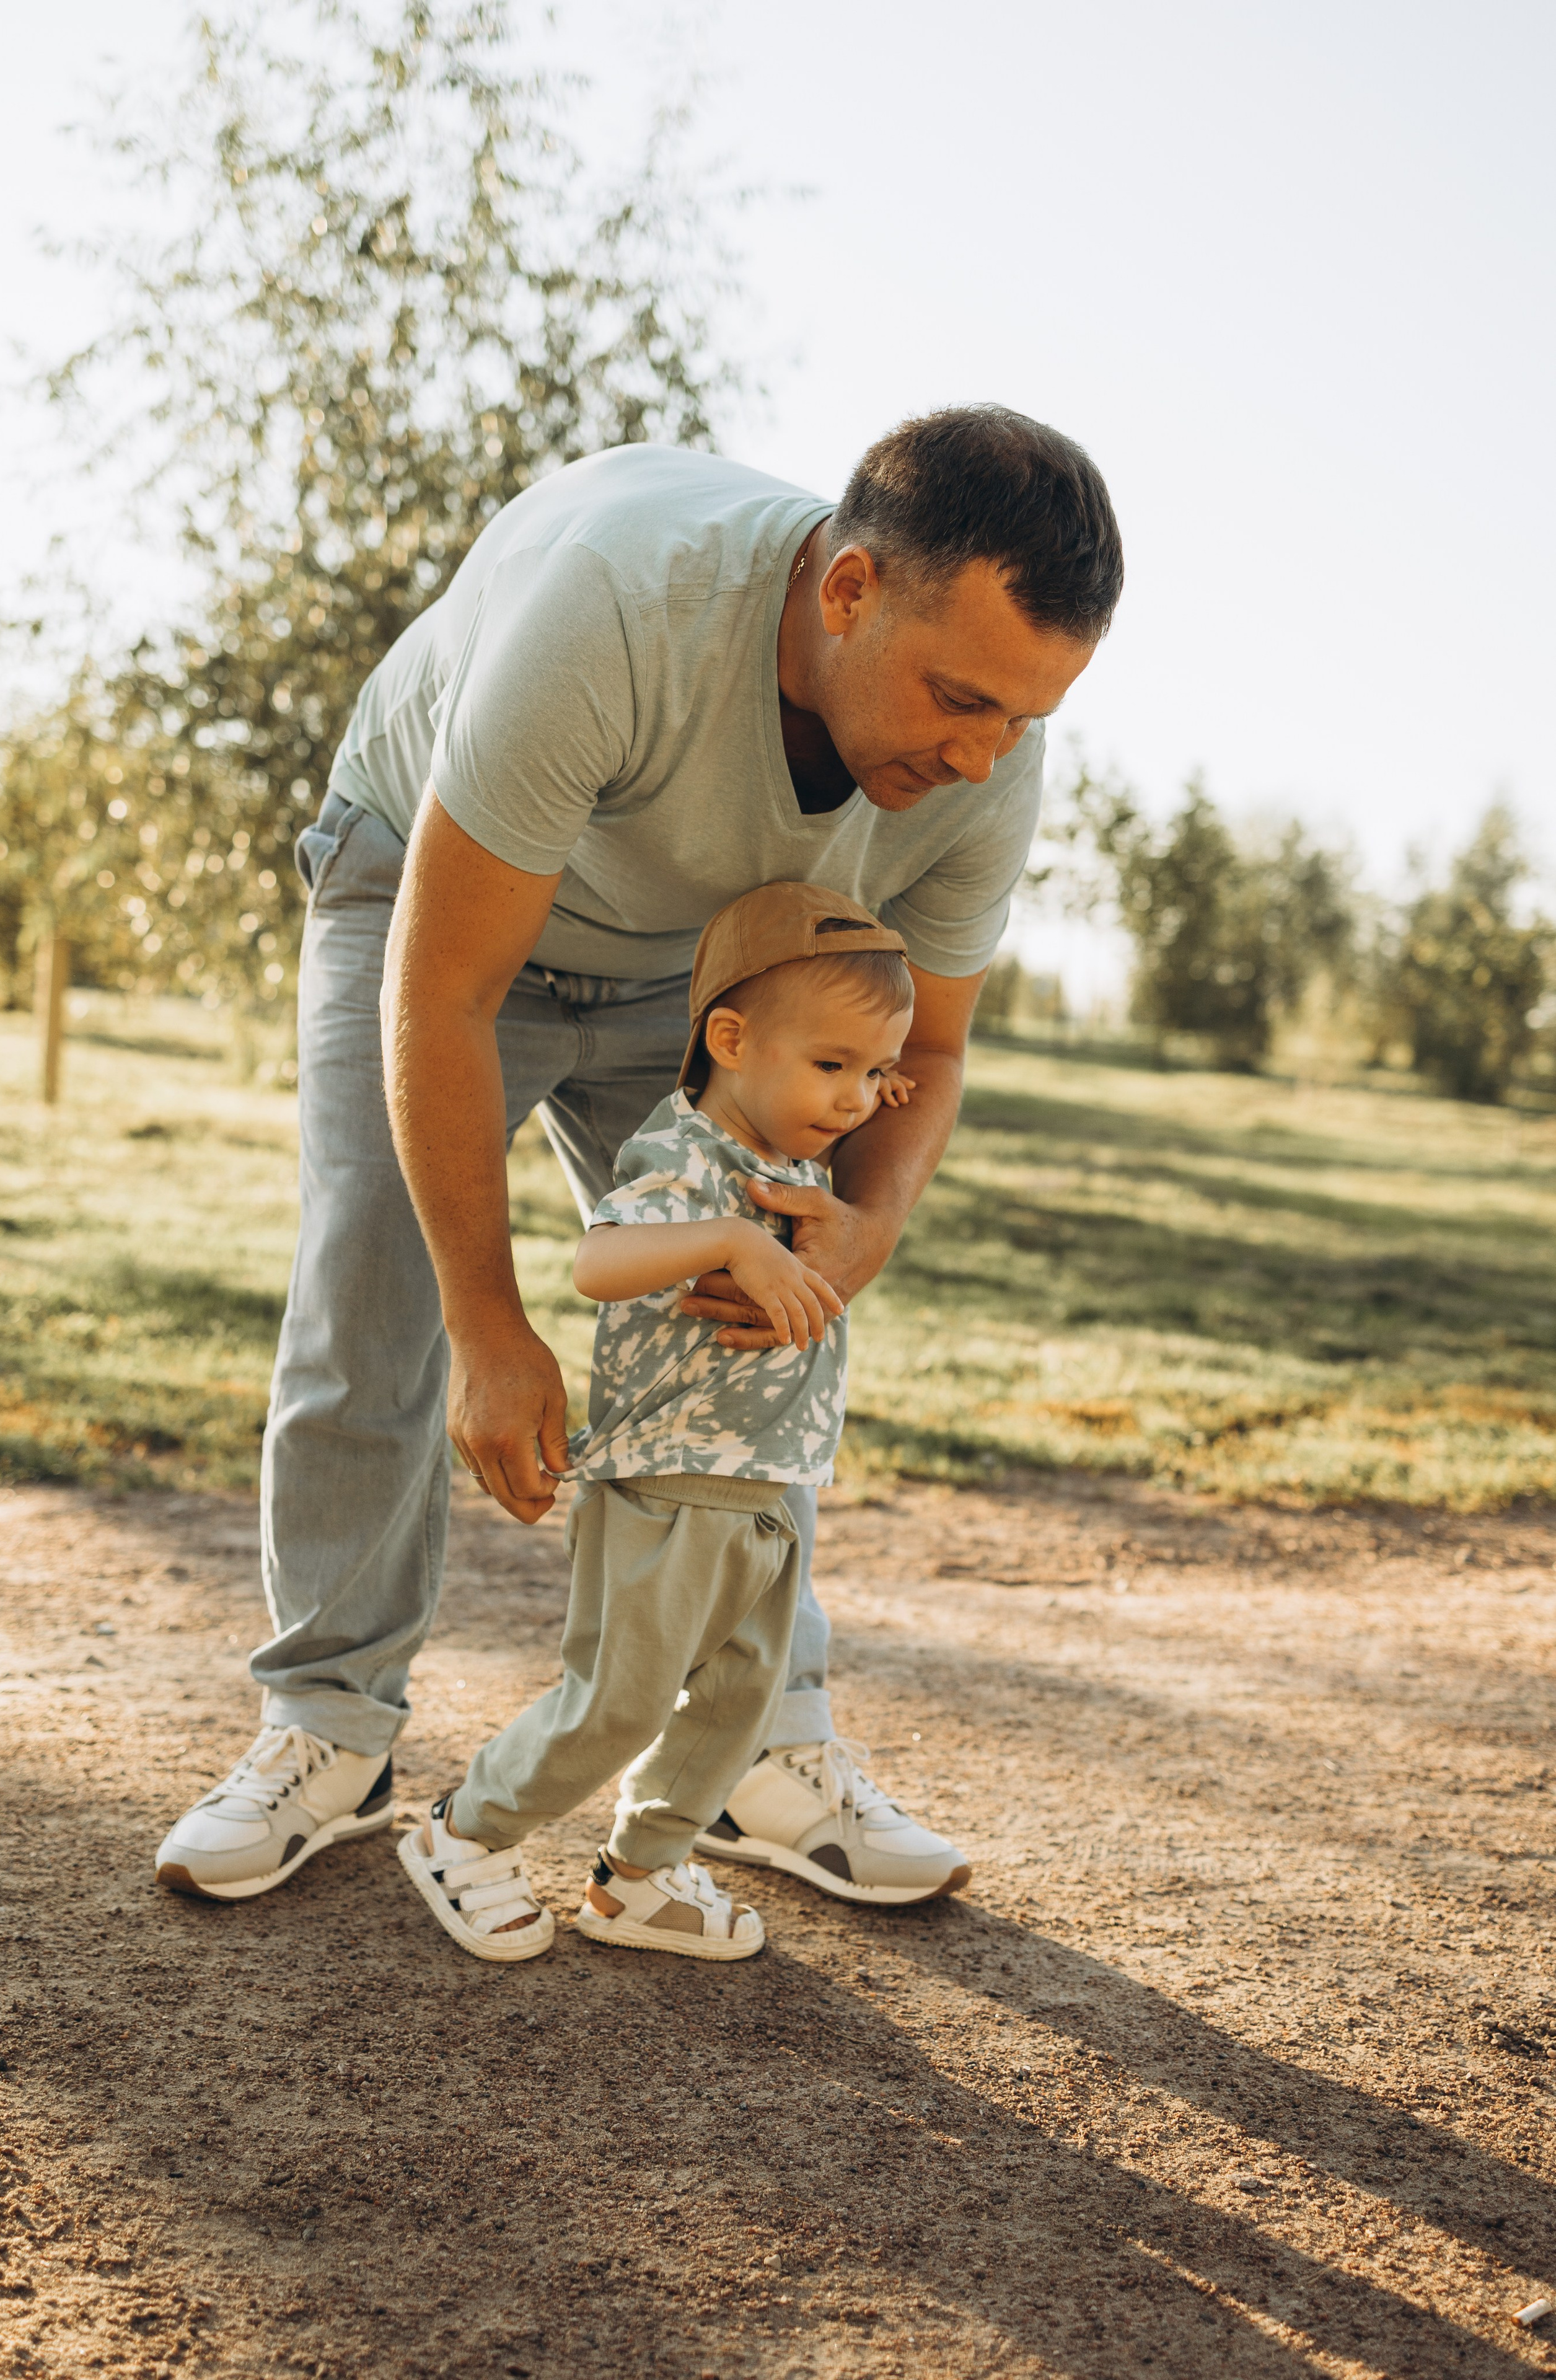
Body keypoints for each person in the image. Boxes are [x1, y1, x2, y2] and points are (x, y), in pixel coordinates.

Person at [154, 402, 1122, 1914]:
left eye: (1023, 715)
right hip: (428, 890)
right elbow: (448, 991)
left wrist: (853, 1237)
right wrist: (491, 1324)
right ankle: (327, 1730)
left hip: (698, 963)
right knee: (377, 1280)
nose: (983, 750)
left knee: (764, 1321)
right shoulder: (620, 605)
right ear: (848, 591)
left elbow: (922, 1052)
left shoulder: (985, 763)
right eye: (957, 698)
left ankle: (755, 1749)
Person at [400, 884, 914, 1962]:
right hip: (667, 1487)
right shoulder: (682, 1157)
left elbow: (858, 1087)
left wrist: (858, 1076)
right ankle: (462, 1834)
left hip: (771, 1491)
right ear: (729, 1039)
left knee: (739, 1701)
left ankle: (637, 1880)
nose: (858, 1099)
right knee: (619, 1706)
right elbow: (598, 1263)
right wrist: (730, 1239)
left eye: (875, 1073)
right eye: (834, 1067)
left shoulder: (793, 1152)